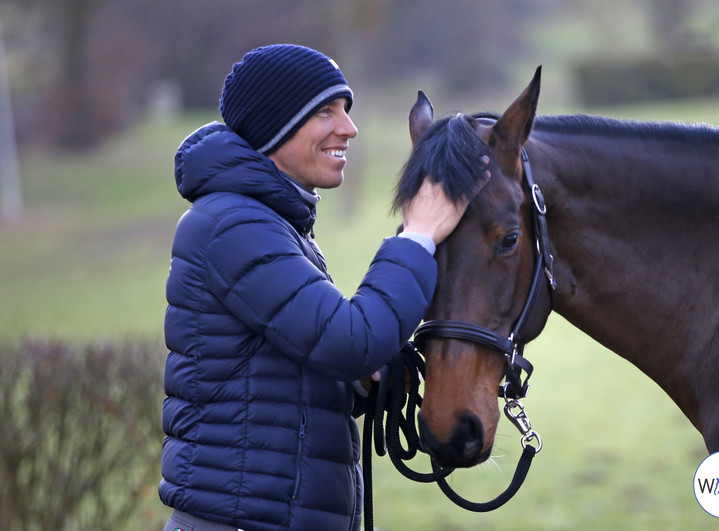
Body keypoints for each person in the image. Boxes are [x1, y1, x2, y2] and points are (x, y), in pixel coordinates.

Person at [159, 44, 486, 531]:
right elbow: (348, 340)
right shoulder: (233, 225)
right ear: (275, 125)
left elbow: (285, 373)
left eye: (347, 111)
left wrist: (361, 380)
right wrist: (417, 236)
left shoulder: (267, 224)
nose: (349, 128)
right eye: (325, 112)